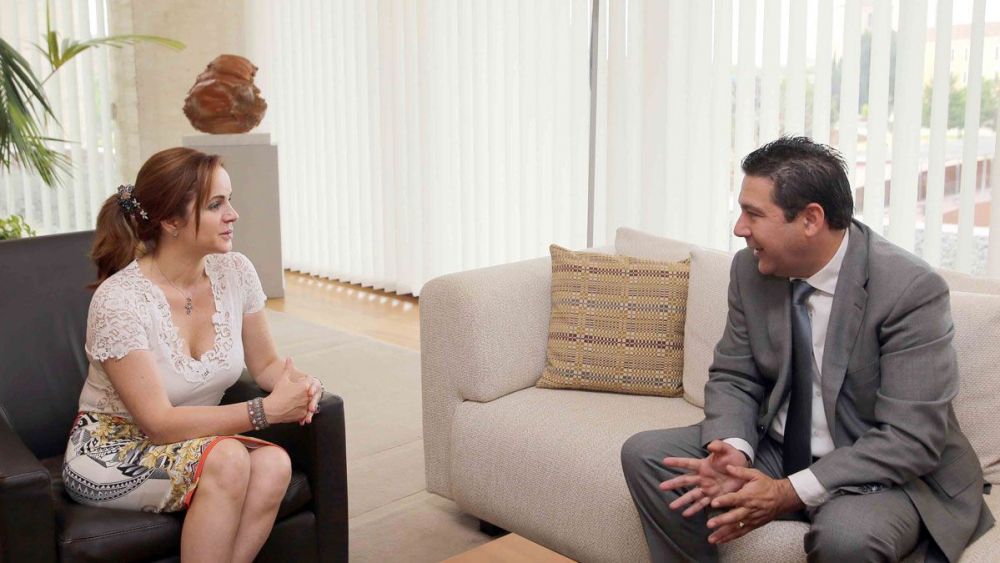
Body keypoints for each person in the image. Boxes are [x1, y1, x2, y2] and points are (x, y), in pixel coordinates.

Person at [621, 137, 994, 562]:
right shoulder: (750, 269)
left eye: (753, 214)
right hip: (779, 447)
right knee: (648, 456)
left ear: (811, 219)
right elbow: (735, 375)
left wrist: (786, 492)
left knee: (847, 538)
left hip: (878, 464)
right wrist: (734, 449)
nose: (739, 228)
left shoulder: (909, 289)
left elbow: (910, 438)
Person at [62, 147, 324, 563]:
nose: (233, 214)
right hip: (111, 449)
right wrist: (266, 411)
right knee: (229, 458)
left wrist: (302, 385)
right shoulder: (120, 300)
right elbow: (158, 424)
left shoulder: (235, 271)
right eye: (216, 205)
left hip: (194, 441)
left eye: (229, 200)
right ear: (171, 221)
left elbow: (266, 366)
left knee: (275, 464)